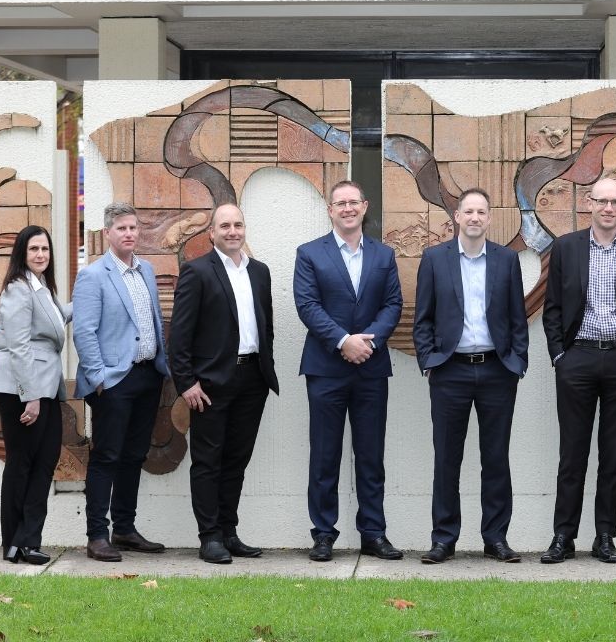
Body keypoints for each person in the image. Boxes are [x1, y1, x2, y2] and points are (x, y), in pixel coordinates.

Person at [540, 177, 616, 565]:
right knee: (572, 452)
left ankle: (605, 536)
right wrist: (559, 356)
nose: (608, 208)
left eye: (615, 202)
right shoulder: (566, 248)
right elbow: (554, 309)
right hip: (576, 359)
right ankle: (563, 537)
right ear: (589, 204)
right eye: (602, 201)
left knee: (614, 452)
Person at [412, 188, 529, 565]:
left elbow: (517, 317)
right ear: (457, 218)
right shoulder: (434, 259)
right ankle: (444, 539)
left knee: (496, 458)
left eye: (482, 211)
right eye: (468, 212)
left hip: (497, 370)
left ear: (489, 218)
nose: (475, 218)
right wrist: (430, 360)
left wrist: (517, 361)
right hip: (451, 372)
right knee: (447, 458)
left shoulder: (507, 260)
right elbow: (423, 319)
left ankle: (495, 538)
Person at [293, 180, 404, 562]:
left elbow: (393, 304)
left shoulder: (384, 255)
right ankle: (324, 534)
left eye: (353, 202)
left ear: (364, 206)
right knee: (325, 456)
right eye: (339, 203)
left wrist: (367, 342)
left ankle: (373, 533)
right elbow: (307, 305)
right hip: (326, 368)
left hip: (371, 368)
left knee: (371, 456)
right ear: (330, 210)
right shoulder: (309, 253)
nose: (347, 209)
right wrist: (344, 341)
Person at [168, 204, 279, 564]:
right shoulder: (197, 272)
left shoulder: (259, 273)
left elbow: (266, 327)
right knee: (207, 461)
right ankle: (209, 536)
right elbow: (179, 335)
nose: (233, 231)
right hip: (210, 384)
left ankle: (229, 532)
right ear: (211, 233)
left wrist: (266, 370)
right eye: (225, 226)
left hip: (252, 380)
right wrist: (186, 383)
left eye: (238, 225)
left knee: (236, 460)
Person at [72, 203, 172, 562]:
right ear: (108, 234)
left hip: (148, 375)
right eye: (122, 229)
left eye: (133, 228)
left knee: (134, 456)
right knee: (107, 456)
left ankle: (125, 529)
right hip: (113, 381)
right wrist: (99, 378)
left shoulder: (145, 270)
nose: (129, 233)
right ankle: (97, 535)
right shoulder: (93, 275)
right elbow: (84, 330)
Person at [0, 225, 71, 565]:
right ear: (22, 253)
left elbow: (55, 321)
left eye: (45, 249)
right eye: (34, 249)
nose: (41, 255)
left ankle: (27, 540)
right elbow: (17, 345)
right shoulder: (18, 288)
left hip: (41, 386)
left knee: (43, 463)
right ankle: (14, 543)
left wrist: (88, 298)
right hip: (21, 386)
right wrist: (30, 395)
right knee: (22, 464)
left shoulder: (41, 287)